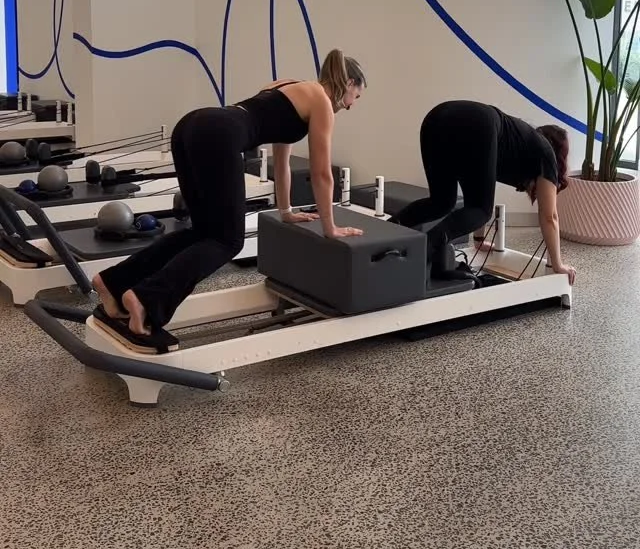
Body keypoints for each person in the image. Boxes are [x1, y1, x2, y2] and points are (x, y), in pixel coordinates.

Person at [91, 49, 367, 350]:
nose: (352, 105)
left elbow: (282, 162)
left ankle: (114, 282)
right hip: (219, 135)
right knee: (228, 241)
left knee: (202, 234)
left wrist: (286, 210)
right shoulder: (322, 102)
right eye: (356, 96)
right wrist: (330, 228)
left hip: (192, 125)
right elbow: (321, 173)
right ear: (348, 83)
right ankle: (145, 299)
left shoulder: (289, 85)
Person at [390, 100, 576, 285]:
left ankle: (384, 233)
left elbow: (480, 186)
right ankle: (423, 251)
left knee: (441, 202)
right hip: (477, 123)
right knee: (481, 210)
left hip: (436, 118)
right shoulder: (546, 154)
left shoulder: (518, 142)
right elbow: (549, 216)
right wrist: (558, 265)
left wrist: (479, 239)